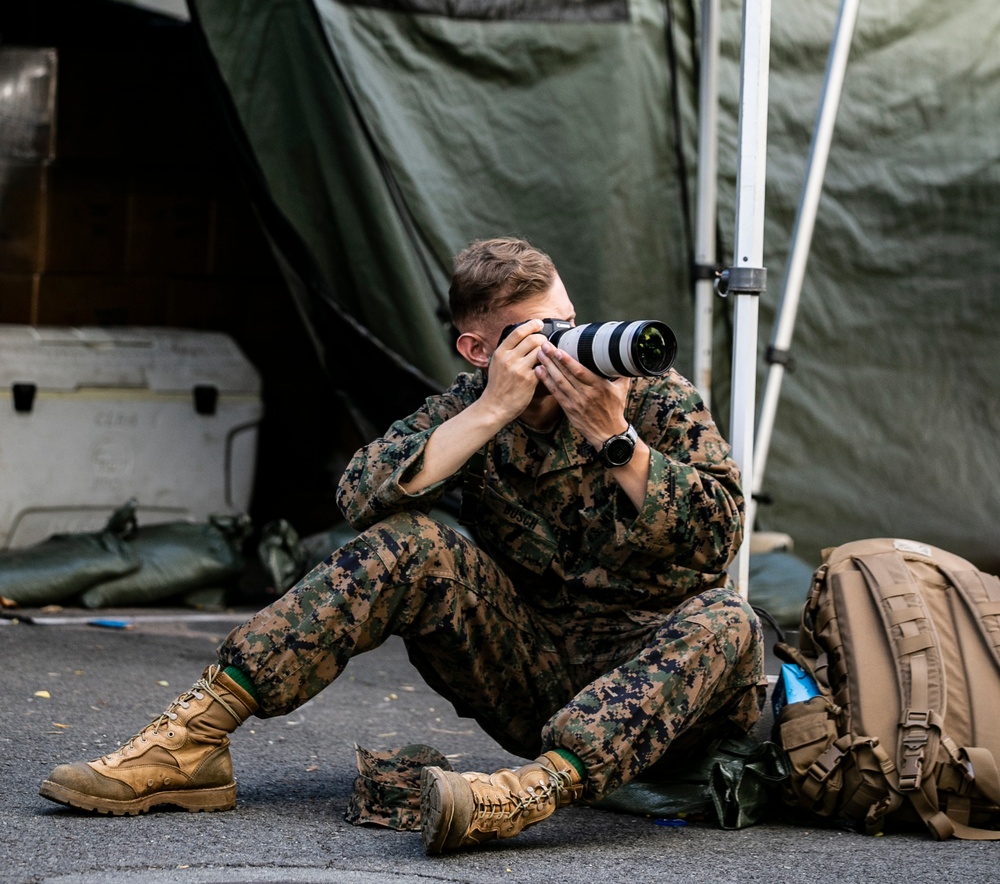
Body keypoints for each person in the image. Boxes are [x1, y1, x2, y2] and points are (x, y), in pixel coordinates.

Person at [40, 236, 765, 853]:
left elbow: (721, 537)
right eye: (536, 334)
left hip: (665, 694)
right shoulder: (473, 406)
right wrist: (488, 413)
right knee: (410, 545)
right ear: (478, 348)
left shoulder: (650, 396)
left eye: (569, 323)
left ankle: (531, 793)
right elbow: (359, 495)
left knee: (730, 619)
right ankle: (192, 743)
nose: (565, 349)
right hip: (537, 676)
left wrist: (618, 442)